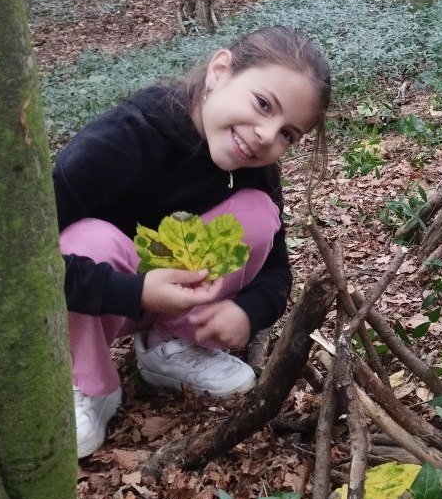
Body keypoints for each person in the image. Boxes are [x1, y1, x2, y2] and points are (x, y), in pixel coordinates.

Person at [57, 25, 331, 458]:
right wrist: (135, 291)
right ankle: (88, 381)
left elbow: (278, 271)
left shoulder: (255, 170)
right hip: (100, 301)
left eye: (287, 134)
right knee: (87, 238)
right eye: (263, 104)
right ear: (220, 71)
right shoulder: (123, 139)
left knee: (257, 213)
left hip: (181, 302)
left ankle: (171, 345)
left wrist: (247, 311)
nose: (266, 135)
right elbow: (28, 263)